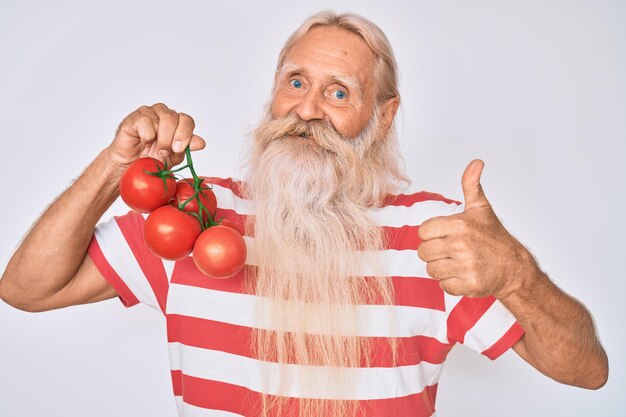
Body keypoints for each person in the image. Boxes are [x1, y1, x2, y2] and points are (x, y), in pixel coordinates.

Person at [0, 11, 608, 417]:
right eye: (295, 82)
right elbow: (26, 289)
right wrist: (116, 164)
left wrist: (518, 277)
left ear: (383, 116)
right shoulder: (197, 216)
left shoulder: (435, 237)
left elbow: (585, 372)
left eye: (339, 91)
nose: (307, 109)